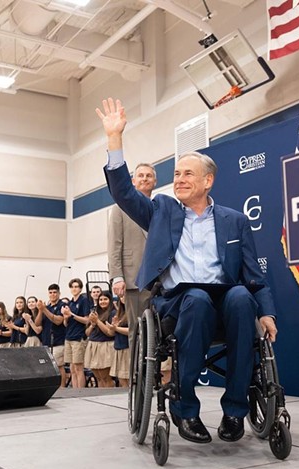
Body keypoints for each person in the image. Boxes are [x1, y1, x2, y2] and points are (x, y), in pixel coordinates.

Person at [96, 98, 277, 444]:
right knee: (195, 298)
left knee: (241, 298)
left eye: (187, 174)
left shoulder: (235, 221)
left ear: (208, 181)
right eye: (176, 174)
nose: (178, 179)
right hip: (179, 303)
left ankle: (235, 411)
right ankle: (185, 409)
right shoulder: (162, 209)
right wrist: (114, 140)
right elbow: (122, 192)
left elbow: (252, 274)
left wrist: (266, 311)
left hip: (225, 302)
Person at [107, 162, 172, 381]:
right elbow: (114, 244)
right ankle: (139, 375)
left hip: (162, 281)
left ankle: (158, 372)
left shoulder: (162, 208)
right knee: (137, 329)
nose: (144, 179)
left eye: (149, 176)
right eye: (140, 176)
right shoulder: (120, 207)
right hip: (134, 280)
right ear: (133, 180)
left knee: (161, 329)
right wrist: (117, 276)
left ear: (155, 181)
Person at [36, 284, 67, 386]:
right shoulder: (47, 307)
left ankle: (62, 387)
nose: (52, 295)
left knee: (59, 366)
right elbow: (37, 323)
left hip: (58, 341)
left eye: (55, 292)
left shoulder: (62, 305)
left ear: (59, 293)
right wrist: (41, 310)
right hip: (46, 340)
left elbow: (58, 321)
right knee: (49, 367)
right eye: (50, 293)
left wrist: (44, 309)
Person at [62, 278, 90, 388]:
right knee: (72, 368)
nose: (74, 289)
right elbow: (65, 324)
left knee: (79, 367)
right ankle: (74, 391)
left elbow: (86, 320)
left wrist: (72, 314)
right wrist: (65, 317)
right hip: (69, 336)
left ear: (80, 288)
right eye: (72, 287)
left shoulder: (83, 301)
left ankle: (81, 391)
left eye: (76, 287)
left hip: (78, 337)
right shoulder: (70, 302)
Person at [84, 291, 116, 387]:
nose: (102, 301)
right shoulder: (95, 312)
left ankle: (109, 396)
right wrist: (93, 325)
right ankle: (101, 395)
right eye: (100, 300)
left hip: (105, 345)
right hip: (93, 345)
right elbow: (87, 333)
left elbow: (109, 332)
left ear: (110, 300)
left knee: (105, 377)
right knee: (98, 377)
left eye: (105, 299)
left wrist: (97, 321)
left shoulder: (112, 313)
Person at [109, 294, 129, 388]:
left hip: (128, 348)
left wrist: (116, 328)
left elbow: (132, 331)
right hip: (119, 346)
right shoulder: (118, 313)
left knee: (129, 378)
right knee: (121, 379)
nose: (123, 298)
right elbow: (112, 333)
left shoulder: (133, 312)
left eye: (125, 296)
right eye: (121, 297)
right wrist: (113, 326)